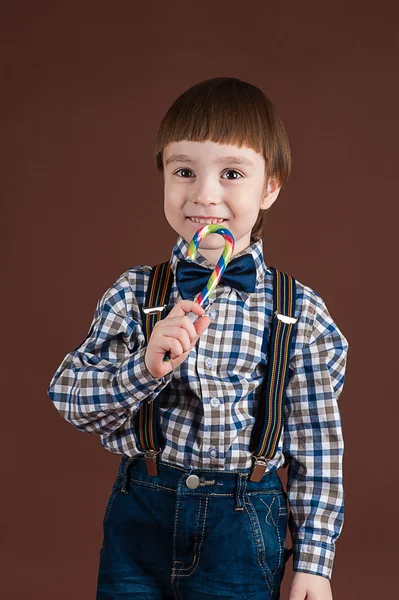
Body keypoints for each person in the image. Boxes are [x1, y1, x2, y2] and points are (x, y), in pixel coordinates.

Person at [48, 77, 349, 600]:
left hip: (243, 522)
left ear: (270, 187)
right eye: (184, 171)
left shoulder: (298, 313)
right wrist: (142, 369)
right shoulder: (133, 294)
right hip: (139, 510)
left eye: (232, 173)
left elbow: (317, 448)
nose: (204, 195)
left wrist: (315, 561)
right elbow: (69, 398)